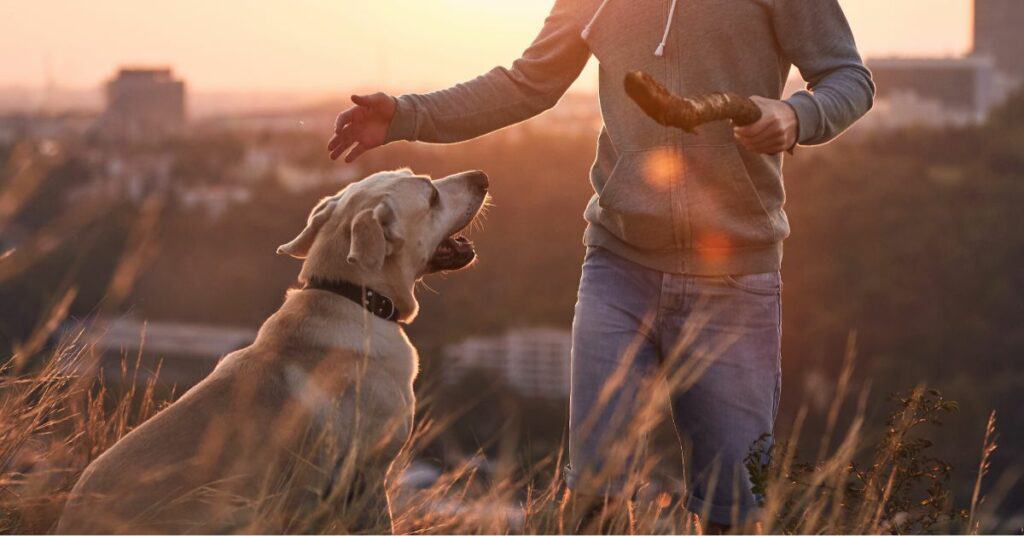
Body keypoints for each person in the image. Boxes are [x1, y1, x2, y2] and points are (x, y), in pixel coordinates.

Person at [327, 0, 874, 531]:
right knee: (593, 496)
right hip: (619, 267)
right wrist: (406, 114)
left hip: (735, 276)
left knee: (730, 511)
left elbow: (849, 77)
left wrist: (798, 115)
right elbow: (527, 83)